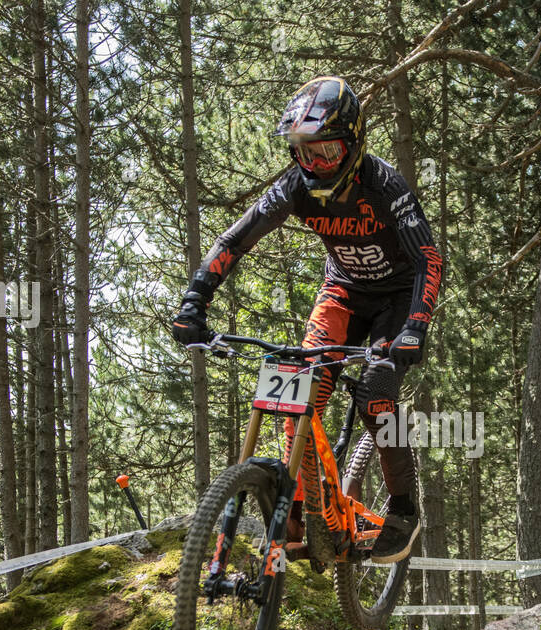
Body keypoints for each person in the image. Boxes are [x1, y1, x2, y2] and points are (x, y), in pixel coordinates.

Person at [171, 76, 444, 564]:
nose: (315, 165)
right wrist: (195, 300)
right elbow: (235, 240)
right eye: (304, 153)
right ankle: (306, 505)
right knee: (295, 388)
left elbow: (427, 257)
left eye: (327, 153)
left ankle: (404, 507)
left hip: (396, 299)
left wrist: (415, 327)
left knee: (376, 394)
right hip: (341, 292)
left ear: (354, 144)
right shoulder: (296, 185)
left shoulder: (385, 185)